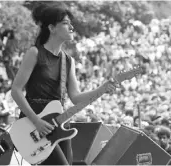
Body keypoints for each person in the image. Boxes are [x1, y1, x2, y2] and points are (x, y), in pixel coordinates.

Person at [11, 2, 117, 165]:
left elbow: (75, 97)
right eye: (66, 23)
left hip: (59, 123)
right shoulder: (35, 53)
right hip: (34, 124)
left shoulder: (68, 61)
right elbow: (16, 91)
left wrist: (102, 89)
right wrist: (36, 121)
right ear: (52, 28)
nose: (71, 27)